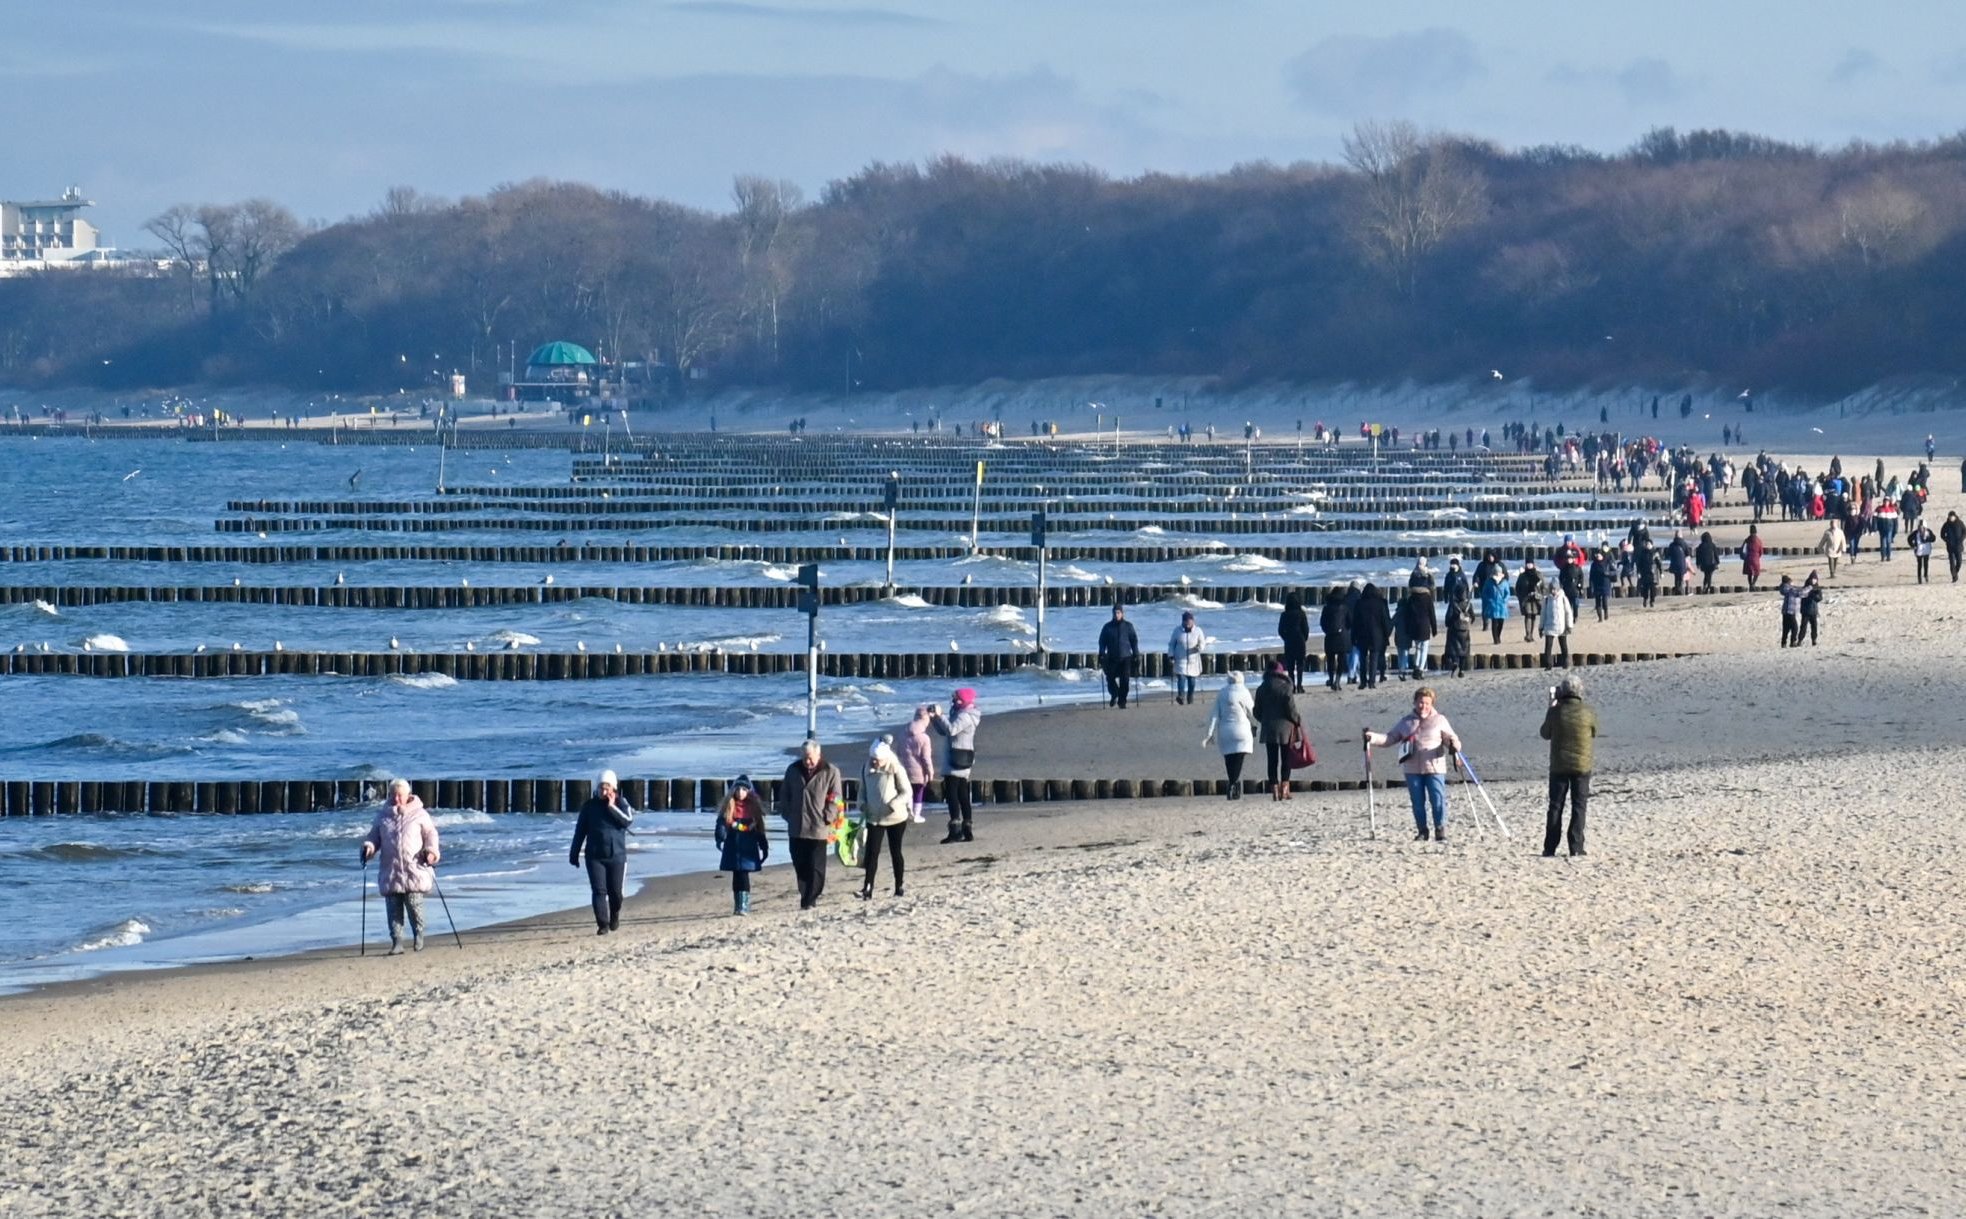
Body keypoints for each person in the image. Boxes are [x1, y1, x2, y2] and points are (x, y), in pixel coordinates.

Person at [1364, 687, 1462, 843]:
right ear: (1415, 702)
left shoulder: (1440, 720)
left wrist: (1454, 745)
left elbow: (1451, 738)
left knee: (1437, 799)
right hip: (1412, 768)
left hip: (1435, 767)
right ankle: (1422, 831)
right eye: (1421, 702)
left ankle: (1440, 829)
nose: (1423, 706)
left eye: (1427, 703)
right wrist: (1373, 738)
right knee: (1417, 802)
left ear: (1432, 704)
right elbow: (1390, 738)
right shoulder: (1406, 722)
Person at [360, 778, 440, 954]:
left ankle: (419, 936)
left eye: (400, 795)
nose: (396, 798)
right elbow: (373, 837)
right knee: (393, 908)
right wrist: (369, 848)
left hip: (415, 868)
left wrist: (431, 852)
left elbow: (431, 835)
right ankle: (397, 942)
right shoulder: (382, 816)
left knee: (414, 905)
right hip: (391, 870)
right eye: (393, 795)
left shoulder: (419, 814)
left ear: (408, 795)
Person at [778, 738, 844, 910]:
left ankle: (810, 898)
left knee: (816, 866)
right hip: (797, 827)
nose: (807, 761)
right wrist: (787, 814)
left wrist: (828, 816)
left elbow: (836, 797)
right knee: (800, 864)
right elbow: (784, 794)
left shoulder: (830, 771)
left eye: (810, 758)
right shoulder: (793, 770)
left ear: (818, 754)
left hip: (818, 827)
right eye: (804, 757)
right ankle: (805, 895)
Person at [569, 769, 635, 935]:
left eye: (607, 788)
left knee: (616, 894)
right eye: (601, 788)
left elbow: (627, 821)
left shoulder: (622, 803)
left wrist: (611, 807)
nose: (603, 792)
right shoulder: (589, 807)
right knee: (599, 891)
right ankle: (603, 924)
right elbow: (580, 832)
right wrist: (574, 854)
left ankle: (615, 914)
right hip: (594, 857)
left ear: (613, 788)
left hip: (617, 856)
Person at [1539, 675, 1597, 858]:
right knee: (1579, 806)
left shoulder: (1555, 712)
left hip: (1559, 765)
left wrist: (1551, 707)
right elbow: (1595, 731)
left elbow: (1545, 733)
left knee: (1556, 806)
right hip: (1582, 765)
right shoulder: (1588, 711)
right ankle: (1576, 846)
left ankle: (1550, 847)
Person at [858, 739, 912, 899]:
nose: (874, 762)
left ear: (885, 758)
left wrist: (893, 804)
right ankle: (867, 888)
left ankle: (899, 885)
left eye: (877, 760)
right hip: (874, 818)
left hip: (895, 817)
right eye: (873, 759)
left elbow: (907, 792)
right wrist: (862, 804)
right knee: (872, 853)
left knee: (896, 852)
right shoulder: (865, 768)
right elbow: (862, 791)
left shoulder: (896, 768)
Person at [930, 688, 980, 842]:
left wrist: (941, 715)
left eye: (957, 698)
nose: (954, 701)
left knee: (953, 794)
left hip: (957, 758)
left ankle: (956, 830)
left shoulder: (965, 716)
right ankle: (966, 829)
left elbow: (951, 730)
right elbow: (944, 731)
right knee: (962, 793)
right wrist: (935, 718)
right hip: (959, 757)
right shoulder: (960, 713)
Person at [714, 776, 770, 915]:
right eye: (738, 789)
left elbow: (760, 830)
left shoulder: (753, 810)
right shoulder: (728, 807)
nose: (740, 792)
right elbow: (721, 824)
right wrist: (720, 837)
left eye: (744, 789)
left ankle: (744, 905)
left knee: (743, 875)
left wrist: (764, 846)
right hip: (732, 846)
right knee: (736, 875)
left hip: (748, 848)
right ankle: (738, 905)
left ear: (749, 791)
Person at [1201, 671, 1260, 799]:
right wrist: (1258, 723)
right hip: (1241, 729)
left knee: (1229, 759)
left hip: (1225, 731)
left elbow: (1214, 715)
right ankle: (1234, 783)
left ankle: (1232, 784)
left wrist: (1209, 733)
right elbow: (1253, 712)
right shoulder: (1244, 692)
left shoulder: (1222, 693)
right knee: (1239, 756)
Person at [1252, 660, 1303, 800]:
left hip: (1269, 728)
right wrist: (1297, 720)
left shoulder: (1261, 688)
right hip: (1286, 728)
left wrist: (1264, 720)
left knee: (1272, 760)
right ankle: (1285, 789)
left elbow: (1256, 711)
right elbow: (1291, 710)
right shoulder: (1286, 687)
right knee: (1286, 759)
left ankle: (1274, 790)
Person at [1350, 582, 1392, 688]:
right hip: (1376, 635)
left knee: (1362, 659)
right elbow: (1385, 620)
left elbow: (1355, 622)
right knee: (1374, 658)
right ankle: (1372, 682)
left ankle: (1363, 681)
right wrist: (1387, 633)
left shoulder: (1359, 603)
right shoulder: (1380, 604)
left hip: (1362, 634)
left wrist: (1353, 637)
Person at [1097, 604, 1140, 709]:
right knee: (1110, 678)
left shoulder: (1128, 626)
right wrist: (1101, 653)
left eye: (1118, 613)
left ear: (1122, 614)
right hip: (1112, 657)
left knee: (1125, 680)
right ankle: (1114, 693)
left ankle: (1122, 701)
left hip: (1126, 657)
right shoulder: (1107, 627)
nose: (1116, 615)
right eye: (1115, 613)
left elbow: (1134, 641)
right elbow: (1102, 641)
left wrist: (1136, 654)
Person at [899, 705, 936, 823]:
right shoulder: (924, 738)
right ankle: (916, 814)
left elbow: (899, 752)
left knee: (907, 791)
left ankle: (909, 812)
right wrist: (930, 772)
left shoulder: (903, 734)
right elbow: (926, 758)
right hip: (919, 770)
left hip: (904, 768)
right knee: (918, 791)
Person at [1167, 610, 1206, 705]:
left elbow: (1202, 643)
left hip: (1193, 660)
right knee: (1181, 678)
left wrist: (1199, 648)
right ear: (1183, 621)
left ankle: (1190, 696)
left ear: (1193, 621)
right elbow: (1171, 644)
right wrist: (1171, 655)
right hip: (1180, 659)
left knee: (1192, 681)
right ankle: (1181, 696)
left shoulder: (1198, 631)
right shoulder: (1177, 631)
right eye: (1186, 621)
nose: (1187, 624)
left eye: (1189, 621)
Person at [1398, 584, 1436, 679]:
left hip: (1414, 627)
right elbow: (1432, 614)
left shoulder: (1411, 598)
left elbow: (1408, 615)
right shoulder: (1428, 598)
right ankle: (1420, 669)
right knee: (1424, 649)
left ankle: (1416, 666)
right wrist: (1434, 628)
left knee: (1418, 648)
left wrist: (1407, 628)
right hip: (1425, 626)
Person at [1539, 575, 1576, 669]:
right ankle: (1548, 664)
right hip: (1549, 627)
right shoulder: (1547, 600)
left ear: (1558, 589)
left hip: (1561, 626)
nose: (1553, 591)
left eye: (1555, 589)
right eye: (1551, 589)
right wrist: (1541, 627)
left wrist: (1569, 626)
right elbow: (1543, 614)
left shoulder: (1563, 598)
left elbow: (1568, 612)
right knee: (1548, 647)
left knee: (1563, 646)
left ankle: (1565, 662)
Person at [1277, 592, 1311, 692]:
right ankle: (1300, 685)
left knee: (1290, 666)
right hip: (1300, 640)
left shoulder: (1284, 615)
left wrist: (1285, 638)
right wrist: (1304, 638)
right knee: (1300, 665)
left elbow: (1280, 630)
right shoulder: (1301, 614)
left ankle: (1292, 686)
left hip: (1289, 641)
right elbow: (1306, 629)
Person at [1318, 586, 1350, 691]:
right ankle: (1337, 681)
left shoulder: (1326, 608)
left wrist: (1327, 631)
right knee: (1341, 660)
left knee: (1330, 660)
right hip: (1342, 637)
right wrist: (1345, 629)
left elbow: (1322, 622)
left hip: (1330, 637)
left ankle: (1331, 679)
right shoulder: (1344, 607)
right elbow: (1350, 621)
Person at [1440, 585, 1473, 677]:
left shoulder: (1453, 605)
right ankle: (1461, 670)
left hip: (1454, 630)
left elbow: (1448, 618)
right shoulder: (1468, 604)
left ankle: (1455, 662)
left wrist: (1449, 624)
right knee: (1464, 651)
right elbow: (1473, 617)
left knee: (1454, 649)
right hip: (1465, 631)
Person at [1514, 561, 1544, 642]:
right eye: (1528, 564)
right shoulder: (1522, 576)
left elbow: (1543, 587)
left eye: (1530, 564)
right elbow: (1517, 588)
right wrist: (1520, 597)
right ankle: (1528, 634)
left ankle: (1531, 634)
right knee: (1528, 615)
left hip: (1536, 598)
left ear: (1533, 565)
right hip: (1526, 598)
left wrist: (1541, 595)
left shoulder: (1538, 575)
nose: (1529, 565)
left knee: (1533, 615)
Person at [1588, 547, 1614, 623]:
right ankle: (1600, 618)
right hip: (1597, 584)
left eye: (1599, 555)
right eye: (1597, 555)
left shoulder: (1607, 562)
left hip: (1605, 584)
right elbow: (1591, 576)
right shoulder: (1594, 564)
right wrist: (1591, 586)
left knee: (1605, 601)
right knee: (1598, 602)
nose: (1598, 556)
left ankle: (1606, 612)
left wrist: (1608, 573)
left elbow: (1614, 572)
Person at [1798, 571, 1823, 645]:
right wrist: (1809, 593)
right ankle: (1800, 640)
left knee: (1814, 626)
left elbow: (1819, 598)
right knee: (1803, 626)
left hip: (1813, 610)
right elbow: (1801, 595)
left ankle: (1814, 640)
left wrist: (1814, 595)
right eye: (1813, 579)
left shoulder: (1817, 588)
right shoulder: (1806, 587)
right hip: (1805, 610)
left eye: (1815, 579)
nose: (1814, 580)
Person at [1777, 575, 1802, 648]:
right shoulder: (1788, 589)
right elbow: (1796, 592)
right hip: (1789, 611)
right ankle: (1792, 642)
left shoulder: (1787, 588)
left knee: (1786, 628)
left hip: (1787, 611)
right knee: (1794, 627)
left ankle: (1783, 643)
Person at [1941, 511, 1965, 583]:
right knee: (1952, 563)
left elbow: (1964, 531)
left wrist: (1961, 539)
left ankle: (1955, 572)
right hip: (1950, 547)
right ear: (1948, 517)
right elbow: (1942, 534)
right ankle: (1954, 576)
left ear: (1955, 516)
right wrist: (1947, 540)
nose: (1951, 518)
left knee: (1959, 562)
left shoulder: (1960, 523)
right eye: (1950, 516)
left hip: (1958, 546)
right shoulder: (1946, 524)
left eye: (1952, 516)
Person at [1740, 524, 1765, 591]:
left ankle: (1750, 584)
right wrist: (1758, 557)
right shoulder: (1759, 540)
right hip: (1755, 559)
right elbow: (1761, 552)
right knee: (1756, 573)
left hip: (1748, 558)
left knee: (1749, 573)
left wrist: (1743, 556)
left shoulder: (1747, 540)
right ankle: (1753, 584)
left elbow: (1742, 549)